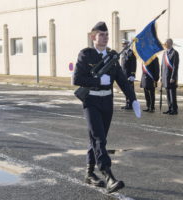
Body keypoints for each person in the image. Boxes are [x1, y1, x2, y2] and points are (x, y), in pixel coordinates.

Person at [73, 21, 141, 193]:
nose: (105, 37)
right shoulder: (85, 55)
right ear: (93, 36)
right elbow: (77, 79)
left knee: (96, 139)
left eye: (107, 34)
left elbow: (122, 80)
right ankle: (108, 176)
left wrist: (133, 99)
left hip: (107, 103)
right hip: (91, 102)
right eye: (101, 34)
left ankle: (89, 173)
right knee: (99, 139)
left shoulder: (112, 57)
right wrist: (97, 81)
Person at [161, 39, 179, 115]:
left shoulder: (175, 53)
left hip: (171, 78)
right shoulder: (164, 53)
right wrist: (161, 76)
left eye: (166, 43)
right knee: (168, 94)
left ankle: (174, 109)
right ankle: (169, 108)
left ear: (170, 43)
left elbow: (175, 66)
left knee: (172, 94)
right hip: (165, 77)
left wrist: (173, 77)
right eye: (165, 43)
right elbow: (162, 66)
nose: (165, 44)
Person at [120, 39, 137, 110]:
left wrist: (132, 75)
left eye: (124, 44)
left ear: (127, 45)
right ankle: (127, 103)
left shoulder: (131, 53)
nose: (123, 45)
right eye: (123, 44)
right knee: (126, 90)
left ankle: (131, 104)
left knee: (130, 91)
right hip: (124, 75)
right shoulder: (123, 53)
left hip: (129, 75)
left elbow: (133, 65)